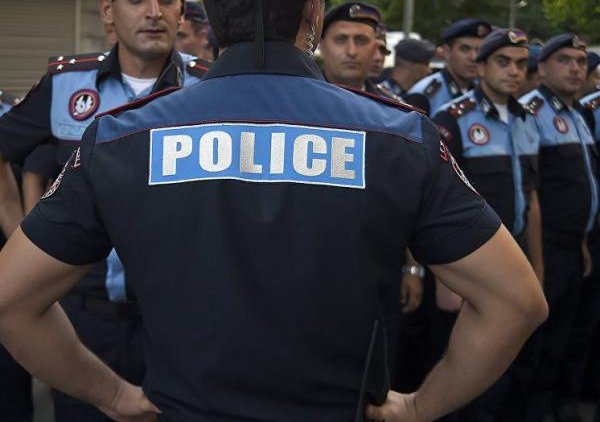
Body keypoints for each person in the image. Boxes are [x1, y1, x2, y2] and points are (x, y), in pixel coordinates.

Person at [0, 1, 547, 422]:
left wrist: (114, 396)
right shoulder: (397, 135)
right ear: (314, 13)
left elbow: (11, 300)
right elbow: (516, 302)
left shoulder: (124, 137)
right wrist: (423, 406)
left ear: (207, 15)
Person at [0, 0, 209, 420]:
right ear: (108, 11)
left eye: (167, 1)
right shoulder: (67, 84)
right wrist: (21, 235)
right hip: (83, 321)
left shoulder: (210, 86)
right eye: (136, 0)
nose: (154, 12)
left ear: (181, 12)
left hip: (182, 321)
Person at [433, 28, 543, 421]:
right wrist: (445, 279)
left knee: (512, 362)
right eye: (503, 62)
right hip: (471, 260)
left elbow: (532, 198)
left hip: (517, 251)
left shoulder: (527, 118)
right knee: (468, 368)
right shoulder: (453, 119)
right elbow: (436, 202)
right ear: (481, 67)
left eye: (521, 64)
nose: (514, 71)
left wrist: (538, 265)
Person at [515, 33, 598, 422]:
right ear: (543, 68)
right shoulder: (531, 112)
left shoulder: (577, 113)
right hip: (544, 247)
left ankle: (559, 404)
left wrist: (581, 238)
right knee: (539, 339)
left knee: (571, 332)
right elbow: (530, 191)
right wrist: (538, 257)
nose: (576, 68)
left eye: (580, 61)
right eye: (564, 60)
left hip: (575, 244)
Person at [408, 18, 492, 115]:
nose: (473, 57)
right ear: (447, 51)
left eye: (479, 50)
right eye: (465, 49)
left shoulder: (482, 90)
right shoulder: (424, 95)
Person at [319, 2, 395, 98]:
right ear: (321, 46)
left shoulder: (388, 103)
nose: (352, 51)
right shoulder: (302, 98)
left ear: (374, 48)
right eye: (340, 40)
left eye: (362, 41)